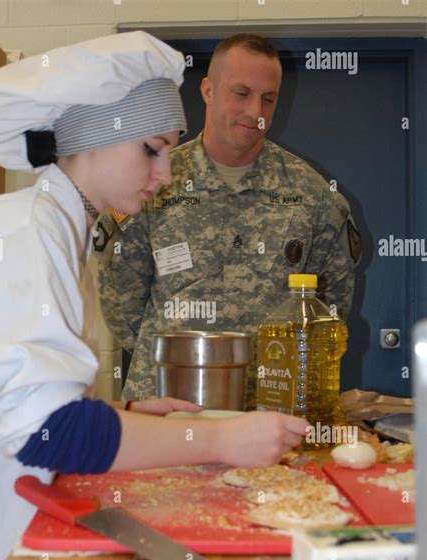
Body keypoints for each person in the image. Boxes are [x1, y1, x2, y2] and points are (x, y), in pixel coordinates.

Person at [0, 32, 308, 560]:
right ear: (94, 140)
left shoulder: (60, 230)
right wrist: (218, 438)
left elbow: (18, 402)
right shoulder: (27, 237)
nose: (166, 173)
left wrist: (125, 415)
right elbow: (47, 433)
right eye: (153, 149)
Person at [96, 33, 362, 406]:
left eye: (268, 98)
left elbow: (328, 307)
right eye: (241, 93)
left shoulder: (311, 194)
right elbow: (121, 302)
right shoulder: (152, 181)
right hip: (167, 402)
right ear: (207, 90)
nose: (256, 111)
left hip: (271, 406)